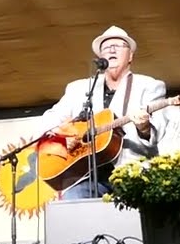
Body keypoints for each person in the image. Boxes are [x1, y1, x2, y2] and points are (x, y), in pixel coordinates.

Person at [37, 26, 166, 199]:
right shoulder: (79, 88)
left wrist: (144, 127)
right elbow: (49, 120)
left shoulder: (149, 86)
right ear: (100, 58)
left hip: (132, 172)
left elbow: (158, 130)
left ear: (131, 56)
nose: (111, 49)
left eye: (119, 46)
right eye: (106, 47)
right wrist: (61, 138)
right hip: (86, 175)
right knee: (73, 201)